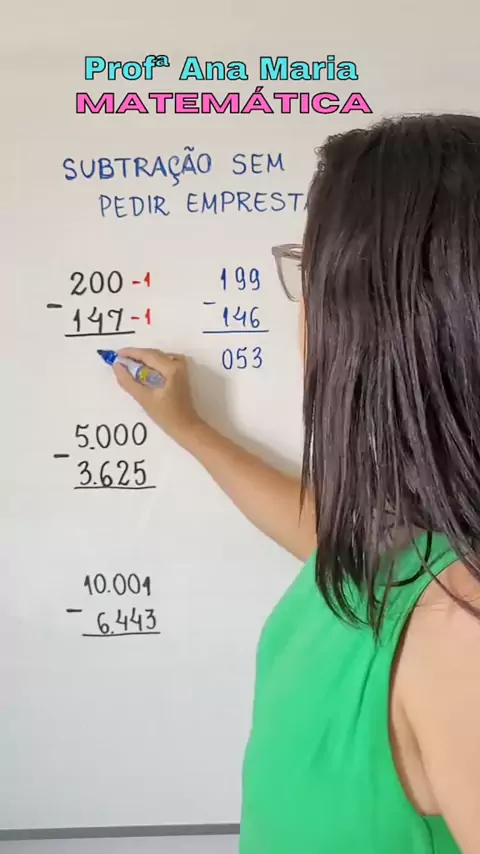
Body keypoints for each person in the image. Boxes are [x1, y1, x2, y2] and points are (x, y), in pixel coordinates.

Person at [112, 114, 480, 853]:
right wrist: (193, 430)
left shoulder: (462, 634)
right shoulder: (415, 548)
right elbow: (331, 541)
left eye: (309, 266)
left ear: (384, 314)